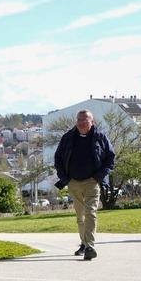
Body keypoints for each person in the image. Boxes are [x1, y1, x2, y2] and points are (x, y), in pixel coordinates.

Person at [53, 109, 115, 261]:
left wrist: (98, 176)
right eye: (79, 120)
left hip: (92, 182)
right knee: (80, 216)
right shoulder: (68, 138)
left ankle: (90, 246)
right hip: (73, 182)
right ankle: (84, 242)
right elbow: (58, 159)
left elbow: (110, 158)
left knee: (91, 213)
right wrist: (65, 178)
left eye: (85, 120)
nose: (81, 123)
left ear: (91, 122)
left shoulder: (100, 137)